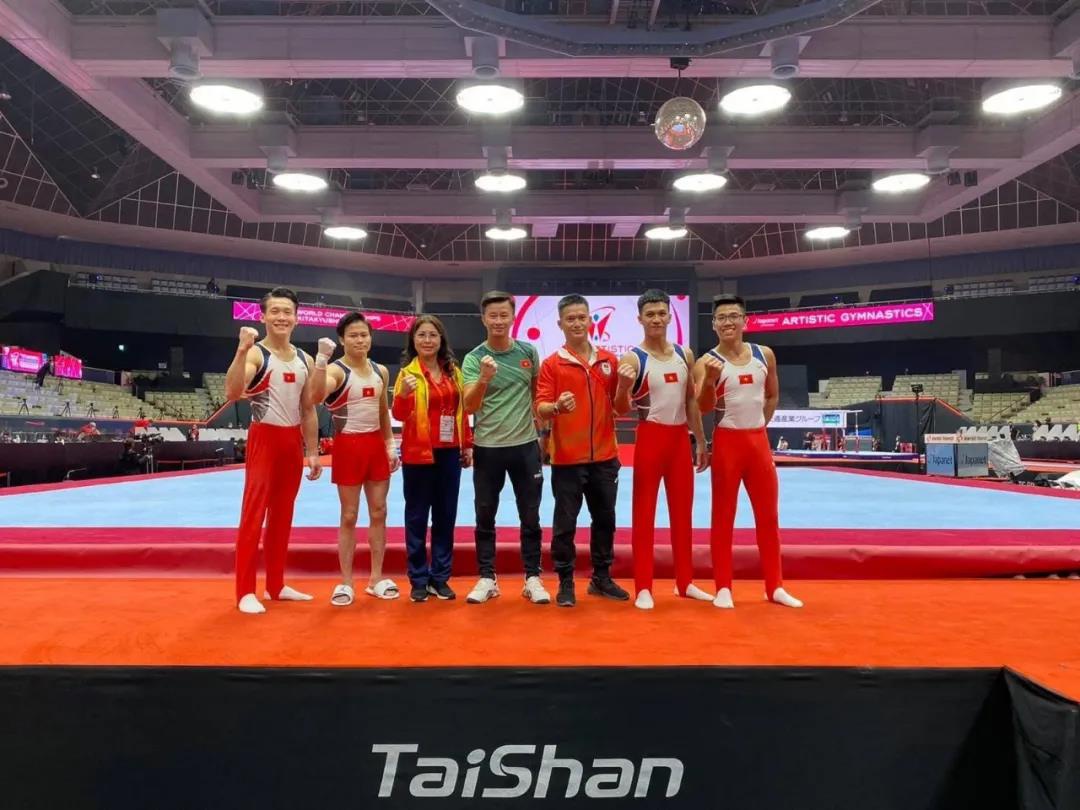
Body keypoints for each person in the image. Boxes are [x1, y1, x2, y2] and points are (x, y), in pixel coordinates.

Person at [694, 294, 802, 610]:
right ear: (713, 325)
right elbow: (703, 407)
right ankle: (723, 587)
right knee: (723, 517)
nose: (727, 322)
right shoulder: (706, 362)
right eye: (721, 318)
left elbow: (772, 396)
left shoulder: (763, 355)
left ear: (745, 321)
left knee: (768, 517)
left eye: (733, 316)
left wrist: (758, 426)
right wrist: (710, 380)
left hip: (758, 444)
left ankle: (775, 586)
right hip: (727, 444)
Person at [224, 287, 322, 615]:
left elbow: (308, 409)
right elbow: (233, 392)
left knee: (283, 514)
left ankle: (276, 585)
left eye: (287, 312)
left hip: (292, 442)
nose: (282, 317)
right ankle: (244, 591)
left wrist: (312, 451)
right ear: (263, 317)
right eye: (275, 311)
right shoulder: (256, 354)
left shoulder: (305, 359)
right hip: (264, 439)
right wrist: (241, 349)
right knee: (254, 514)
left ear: (297, 318)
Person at [612, 289, 711, 610]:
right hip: (650, 438)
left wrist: (700, 441)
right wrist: (623, 386)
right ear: (639, 319)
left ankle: (685, 582)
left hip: (680, 440)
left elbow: (691, 401)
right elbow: (620, 409)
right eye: (650, 314)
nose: (656, 319)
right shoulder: (633, 359)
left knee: (683, 514)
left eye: (661, 313)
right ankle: (644, 586)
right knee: (644, 515)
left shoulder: (685, 354)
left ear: (670, 316)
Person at [536, 294, 629, 608]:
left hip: (605, 458)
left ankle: (601, 578)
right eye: (570, 319)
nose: (577, 323)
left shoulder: (609, 361)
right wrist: (557, 407)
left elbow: (621, 408)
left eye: (581, 317)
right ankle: (565, 581)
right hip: (567, 460)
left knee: (605, 520)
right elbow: (540, 407)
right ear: (560, 324)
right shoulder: (552, 364)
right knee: (565, 524)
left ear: (590, 320)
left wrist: (624, 387)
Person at [461, 291, 548, 605]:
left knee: (531, 515)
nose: (498, 321)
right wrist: (484, 379)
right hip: (488, 447)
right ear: (483, 319)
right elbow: (469, 406)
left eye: (503, 315)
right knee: (485, 514)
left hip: (525, 446)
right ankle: (487, 577)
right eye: (492, 316)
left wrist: (544, 436)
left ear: (512, 317)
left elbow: (537, 397)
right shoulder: (474, 358)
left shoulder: (528, 352)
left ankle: (533, 577)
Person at [312, 312, 400, 607]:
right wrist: (321, 361)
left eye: (364, 335)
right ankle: (346, 582)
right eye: (353, 335)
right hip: (348, 446)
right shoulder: (337, 372)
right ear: (342, 339)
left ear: (371, 337)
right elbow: (315, 396)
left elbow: (383, 411)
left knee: (379, 511)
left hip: (375, 444)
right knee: (349, 515)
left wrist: (390, 445)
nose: (360, 340)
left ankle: (376, 579)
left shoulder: (380, 371)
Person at [392, 315, 473, 603]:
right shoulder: (407, 374)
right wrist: (403, 395)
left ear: (441, 340)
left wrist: (467, 445)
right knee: (416, 517)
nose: (427, 340)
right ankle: (418, 578)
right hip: (418, 454)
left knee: (445, 515)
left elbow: (463, 410)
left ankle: (440, 577)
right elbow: (399, 415)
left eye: (432, 335)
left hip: (449, 453)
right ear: (413, 341)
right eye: (421, 335)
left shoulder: (454, 372)